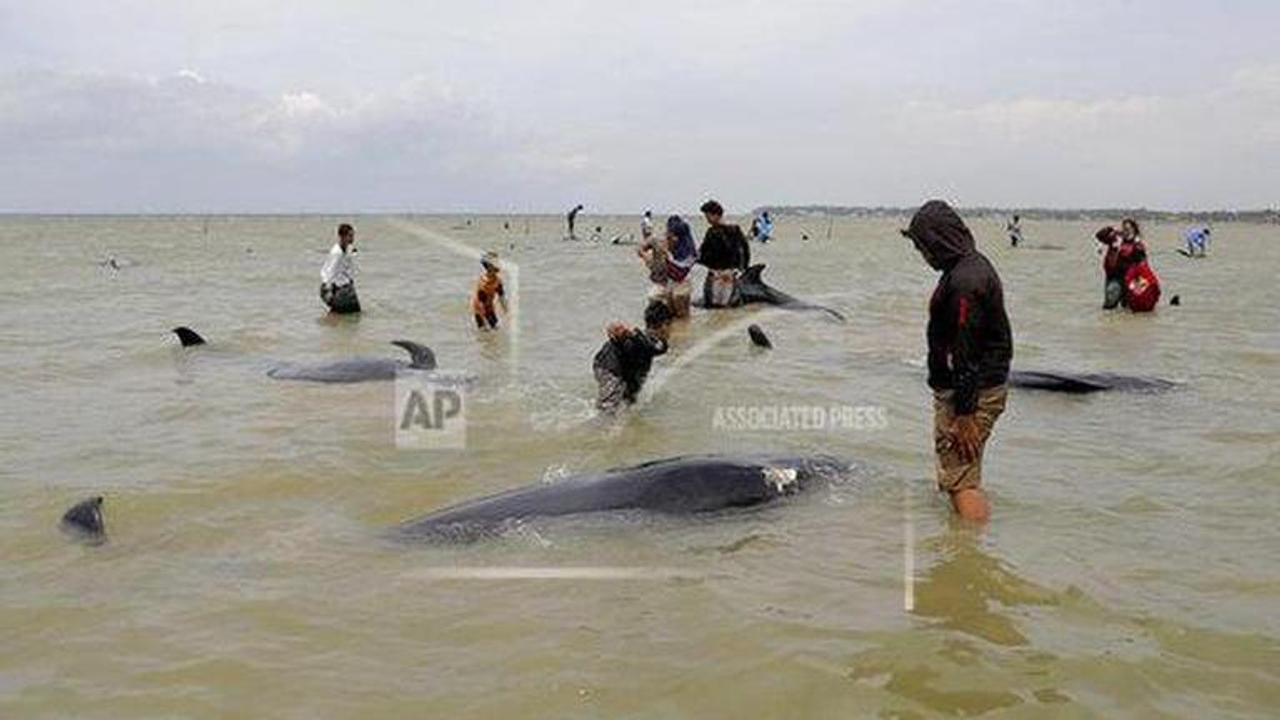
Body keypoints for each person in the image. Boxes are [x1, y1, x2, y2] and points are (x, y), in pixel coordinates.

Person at [900, 200, 1013, 523]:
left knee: (961, 478)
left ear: (939, 241)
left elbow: (966, 350)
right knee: (961, 474)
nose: (923, 255)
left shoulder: (966, 281)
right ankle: (966, 547)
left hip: (971, 394)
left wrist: (965, 415)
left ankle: (969, 558)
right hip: (974, 389)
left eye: (923, 247)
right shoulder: (967, 268)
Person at [593, 301, 672, 412]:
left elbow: (659, 348)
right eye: (669, 325)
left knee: (630, 398)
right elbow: (620, 341)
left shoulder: (649, 339)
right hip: (608, 368)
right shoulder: (642, 340)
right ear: (665, 324)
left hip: (617, 367)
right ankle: (601, 426)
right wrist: (624, 334)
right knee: (608, 407)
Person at [697, 199, 750, 307]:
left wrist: (695, 259)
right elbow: (745, 250)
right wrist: (742, 268)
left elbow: (704, 253)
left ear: (716, 215)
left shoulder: (712, 232)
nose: (707, 219)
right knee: (727, 306)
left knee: (713, 306)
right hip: (730, 274)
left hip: (716, 274)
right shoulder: (735, 229)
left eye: (707, 216)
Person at [1096, 218, 1154, 310]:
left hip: (1129, 279)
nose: (1125, 232)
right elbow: (1099, 235)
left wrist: (1144, 282)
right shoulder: (1115, 238)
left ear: (1134, 230)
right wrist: (1110, 229)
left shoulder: (1137, 245)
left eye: (1128, 229)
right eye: (1124, 229)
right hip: (1113, 277)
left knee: (1127, 307)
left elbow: (1143, 264)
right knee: (1110, 303)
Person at [320, 223, 361, 314]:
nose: (352, 239)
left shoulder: (347, 248)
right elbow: (330, 272)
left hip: (345, 287)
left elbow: (348, 264)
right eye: (350, 236)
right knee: (348, 313)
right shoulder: (336, 253)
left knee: (353, 313)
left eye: (353, 236)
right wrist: (329, 290)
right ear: (342, 237)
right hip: (335, 288)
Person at [664, 215, 698, 318]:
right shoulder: (678, 249)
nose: (670, 237)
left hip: (681, 283)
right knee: (673, 315)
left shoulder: (688, 253)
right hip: (674, 283)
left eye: (672, 235)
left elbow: (679, 273)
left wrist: (666, 254)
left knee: (682, 316)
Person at [471, 251, 507, 330]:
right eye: (497, 263)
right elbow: (481, 304)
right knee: (486, 330)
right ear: (490, 266)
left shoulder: (497, 280)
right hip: (480, 310)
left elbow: (502, 297)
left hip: (489, 307)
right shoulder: (483, 283)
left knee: (495, 329)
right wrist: (486, 321)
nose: (500, 265)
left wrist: (507, 311)